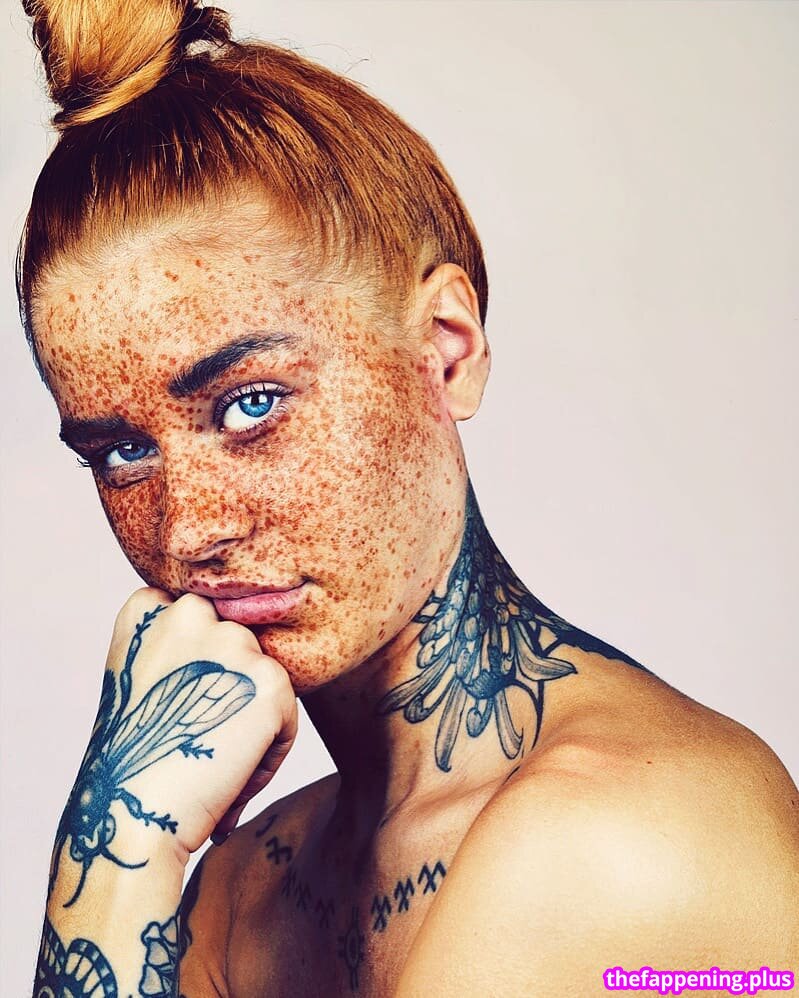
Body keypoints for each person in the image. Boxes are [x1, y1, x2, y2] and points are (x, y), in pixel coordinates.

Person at [19, 2, 798, 996]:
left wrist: (109, 865)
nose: (190, 530)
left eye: (252, 403)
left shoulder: (628, 833)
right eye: (122, 452)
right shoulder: (239, 885)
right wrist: (119, 847)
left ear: (446, 349)